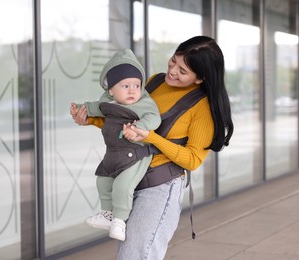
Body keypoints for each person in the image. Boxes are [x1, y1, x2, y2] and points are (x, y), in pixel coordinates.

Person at [71, 36, 234, 259]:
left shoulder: (202, 108)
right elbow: (123, 122)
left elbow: (193, 160)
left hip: (160, 187)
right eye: (173, 61)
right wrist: (89, 119)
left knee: (135, 255)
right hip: (129, 177)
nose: (173, 71)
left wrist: (152, 137)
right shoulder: (154, 82)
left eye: (183, 70)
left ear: (200, 78)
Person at [70, 49, 161, 241]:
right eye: (125, 86)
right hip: (112, 154)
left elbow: (154, 118)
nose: (132, 90)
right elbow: (93, 107)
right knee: (102, 180)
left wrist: (140, 127)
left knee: (122, 186)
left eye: (137, 85)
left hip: (135, 154)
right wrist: (80, 108)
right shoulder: (108, 103)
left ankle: (120, 221)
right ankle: (108, 214)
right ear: (111, 90)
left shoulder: (144, 103)